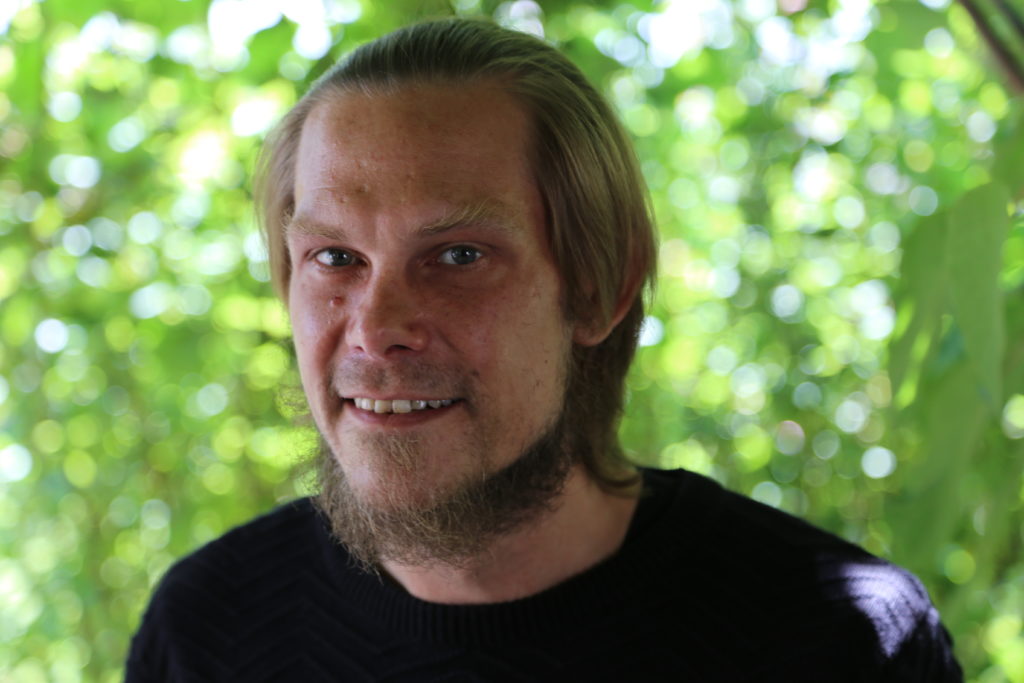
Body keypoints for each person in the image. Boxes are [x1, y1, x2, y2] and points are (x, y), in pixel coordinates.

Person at [126, 18, 962, 682]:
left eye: (458, 256)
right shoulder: (205, 631)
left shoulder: (840, 642)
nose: (376, 326)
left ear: (598, 287)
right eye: (335, 257)